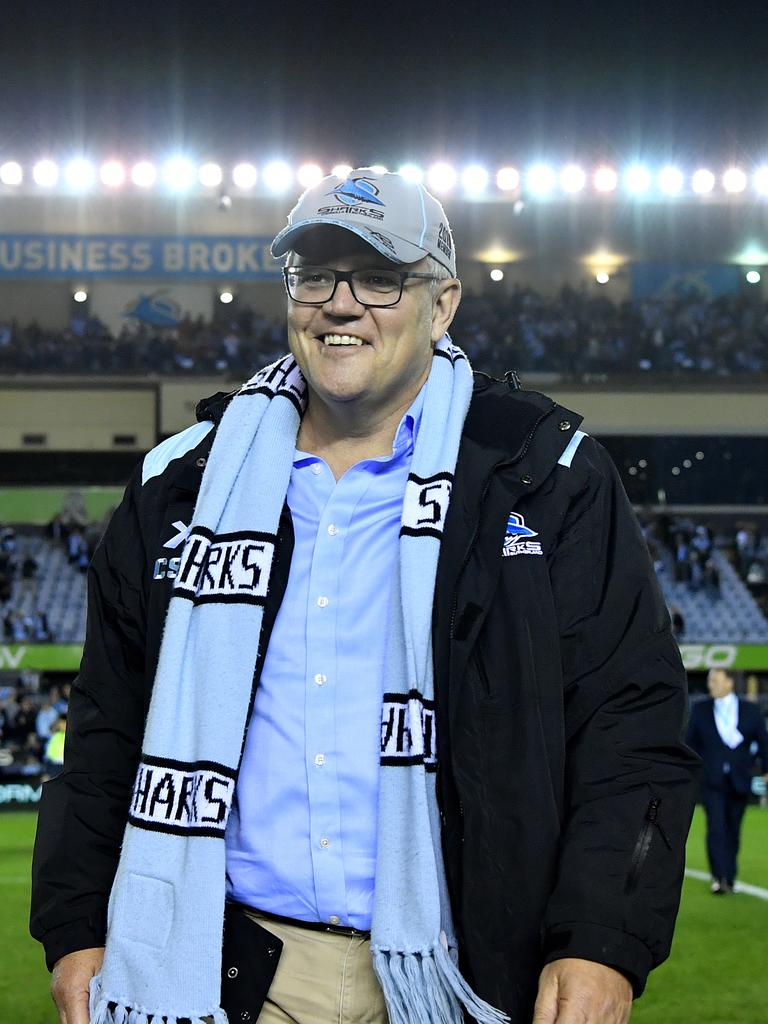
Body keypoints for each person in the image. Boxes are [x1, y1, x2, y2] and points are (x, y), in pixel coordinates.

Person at [31, 168, 699, 1024]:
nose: (339, 304)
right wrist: (77, 923)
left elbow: (629, 723)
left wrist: (601, 937)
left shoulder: (545, 475)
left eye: (379, 277)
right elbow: (105, 726)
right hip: (237, 968)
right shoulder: (185, 483)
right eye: (314, 275)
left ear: (444, 303)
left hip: (463, 971)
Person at [686, 667, 768, 894]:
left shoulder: (750, 711)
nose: (710, 684)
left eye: (715, 680)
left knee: (733, 829)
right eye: (710, 680)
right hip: (711, 780)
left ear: (729, 683)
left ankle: (729, 876)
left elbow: (763, 741)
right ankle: (718, 876)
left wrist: (766, 769)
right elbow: (689, 742)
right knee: (716, 827)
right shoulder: (700, 709)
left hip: (740, 779)